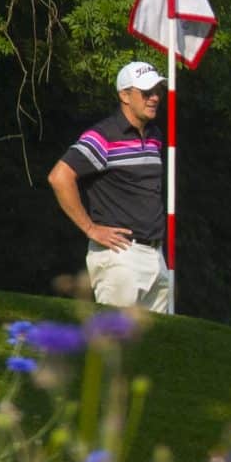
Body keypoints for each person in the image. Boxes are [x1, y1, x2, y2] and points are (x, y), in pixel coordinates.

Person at [50, 61, 173, 314]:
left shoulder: (154, 135)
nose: (155, 98)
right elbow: (60, 177)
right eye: (146, 92)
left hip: (156, 255)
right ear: (124, 95)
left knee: (157, 347)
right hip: (120, 256)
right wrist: (90, 228)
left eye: (157, 91)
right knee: (115, 347)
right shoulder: (103, 136)